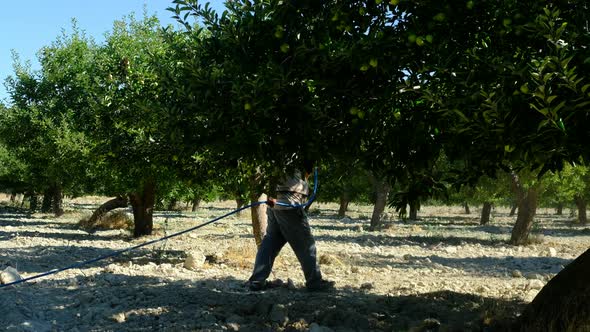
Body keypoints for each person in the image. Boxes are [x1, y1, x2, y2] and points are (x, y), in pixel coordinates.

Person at [247, 162, 335, 292]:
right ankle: (315, 283)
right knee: (306, 244)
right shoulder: (298, 149)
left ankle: (256, 281)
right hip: (289, 203)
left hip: (275, 202)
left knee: (271, 242)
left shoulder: (273, 149)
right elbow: (307, 167)